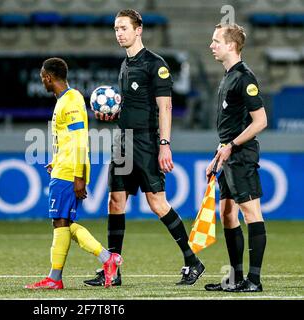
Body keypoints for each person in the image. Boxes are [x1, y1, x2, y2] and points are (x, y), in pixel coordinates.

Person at [84, 9, 205, 287]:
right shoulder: (125, 65)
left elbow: (166, 107)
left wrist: (164, 145)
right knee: (115, 201)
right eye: (116, 29)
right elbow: (133, 106)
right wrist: (114, 115)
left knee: (157, 203)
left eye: (124, 28)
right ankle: (113, 270)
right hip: (123, 140)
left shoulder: (155, 64)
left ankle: (192, 260)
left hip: (147, 142)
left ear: (138, 30)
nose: (119, 33)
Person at [25, 57, 122, 290]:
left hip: (70, 172)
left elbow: (80, 141)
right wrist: (56, 160)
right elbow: (68, 140)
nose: (42, 82)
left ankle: (58, 277)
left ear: (48, 77)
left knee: (60, 222)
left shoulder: (69, 101)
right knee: (64, 223)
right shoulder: (67, 99)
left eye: (42, 78)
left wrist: (78, 175)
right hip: (65, 166)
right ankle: (105, 260)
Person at [204, 23, 268, 293]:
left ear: (231, 45)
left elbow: (261, 121)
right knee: (227, 213)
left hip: (241, 154)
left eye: (217, 40)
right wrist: (218, 153)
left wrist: (230, 145)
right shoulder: (228, 75)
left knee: (250, 212)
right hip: (228, 153)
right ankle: (235, 278)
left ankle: (254, 280)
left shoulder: (244, 77)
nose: (212, 45)